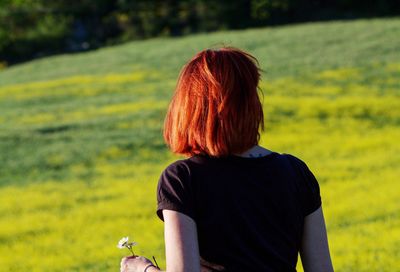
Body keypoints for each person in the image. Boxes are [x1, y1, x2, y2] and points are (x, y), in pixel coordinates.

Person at [120, 47, 334, 272]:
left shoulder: (183, 179)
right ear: (251, 103)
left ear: (190, 108)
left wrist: (142, 269)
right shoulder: (295, 172)